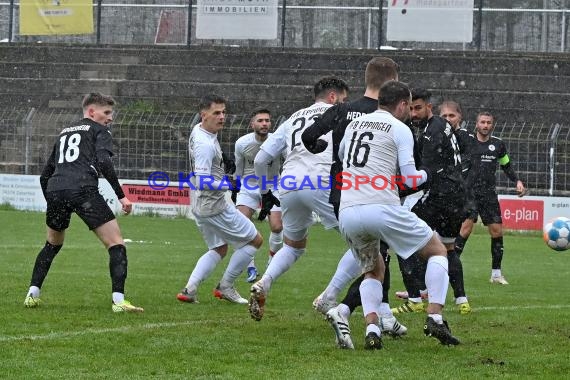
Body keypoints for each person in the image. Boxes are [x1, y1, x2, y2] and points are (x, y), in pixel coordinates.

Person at [337, 80, 460, 348]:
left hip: (347, 210)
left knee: (373, 270)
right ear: (402, 104)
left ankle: (372, 329)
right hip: (381, 207)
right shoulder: (399, 128)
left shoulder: (354, 124)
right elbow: (411, 179)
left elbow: (344, 155)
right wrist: (432, 171)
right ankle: (435, 317)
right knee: (437, 251)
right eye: (408, 106)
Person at [302, 57, 406, 346]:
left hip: (341, 193)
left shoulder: (343, 110)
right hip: (374, 192)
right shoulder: (388, 116)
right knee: (375, 258)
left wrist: (324, 147)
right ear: (393, 82)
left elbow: (309, 137)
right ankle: (341, 308)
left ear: (366, 78)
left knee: (373, 255)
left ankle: (381, 313)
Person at [23, 92, 143, 313]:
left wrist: (52, 199)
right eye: (106, 112)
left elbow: (45, 175)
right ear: (91, 112)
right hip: (82, 188)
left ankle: (32, 294)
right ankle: (119, 302)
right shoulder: (99, 130)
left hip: (57, 189)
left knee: (52, 244)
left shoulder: (64, 132)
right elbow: (104, 161)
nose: (110, 118)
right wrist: (121, 195)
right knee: (116, 243)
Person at [248, 76, 350, 323]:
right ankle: (329, 296)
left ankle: (265, 282)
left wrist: (264, 192)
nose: (346, 103)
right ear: (333, 97)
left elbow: (261, 160)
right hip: (321, 181)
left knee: (293, 246)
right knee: (366, 243)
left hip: (290, 184)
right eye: (344, 98)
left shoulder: (293, 118)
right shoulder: (342, 114)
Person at [176, 94, 264, 304]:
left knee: (219, 248)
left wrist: (222, 163)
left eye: (224, 112)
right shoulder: (204, 144)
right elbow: (204, 180)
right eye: (216, 113)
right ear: (203, 115)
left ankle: (189, 290)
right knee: (255, 240)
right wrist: (229, 184)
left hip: (198, 202)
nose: (222, 117)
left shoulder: (200, 129)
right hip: (213, 204)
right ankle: (226, 286)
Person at [391, 88, 468, 315]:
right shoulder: (438, 127)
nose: (413, 113)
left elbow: (426, 175)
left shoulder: (430, 132)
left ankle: (415, 299)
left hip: (439, 195)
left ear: (429, 108)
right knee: (448, 247)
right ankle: (462, 300)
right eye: (411, 108)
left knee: (402, 239)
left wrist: (395, 188)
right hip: (455, 194)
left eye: (418, 108)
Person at [454, 112, 526, 285]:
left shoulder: (498, 145)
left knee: (497, 232)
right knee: (465, 229)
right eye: (482, 122)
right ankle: (449, 267)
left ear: (492, 125)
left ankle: (496, 274)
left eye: (488, 123)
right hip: (469, 192)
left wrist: (517, 181)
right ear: (476, 124)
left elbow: (506, 165)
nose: (485, 125)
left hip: (488, 194)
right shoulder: (468, 141)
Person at [233, 108, 283, 282]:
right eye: (260, 120)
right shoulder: (242, 143)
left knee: (277, 227)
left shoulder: (278, 141)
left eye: (267, 120)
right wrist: (235, 188)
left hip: (272, 186)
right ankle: (251, 268)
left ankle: (271, 264)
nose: (264, 124)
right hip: (249, 186)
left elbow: (288, 161)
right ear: (252, 124)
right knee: (242, 227)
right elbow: (238, 169)